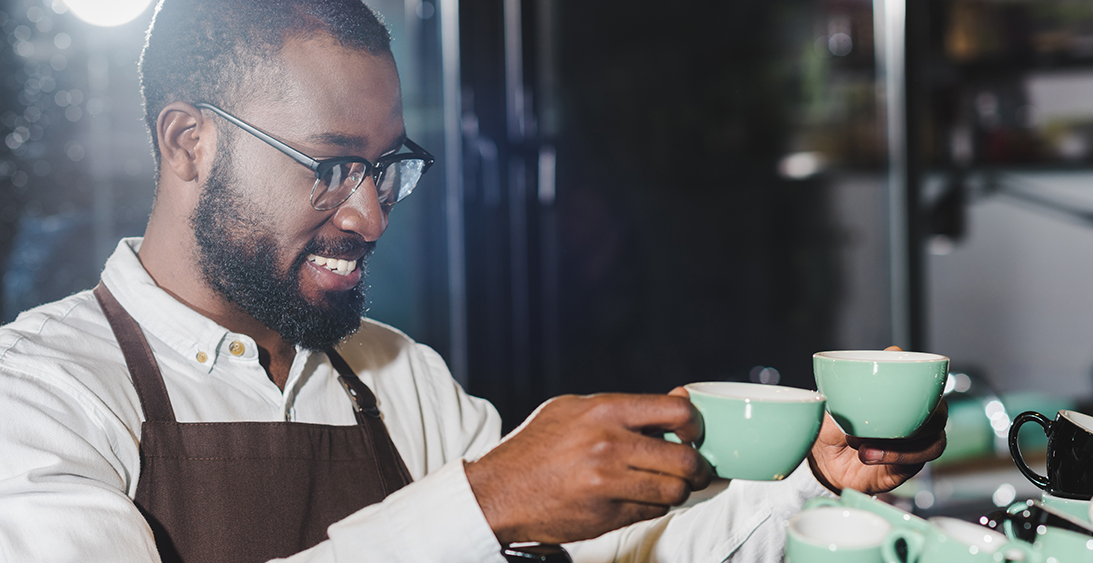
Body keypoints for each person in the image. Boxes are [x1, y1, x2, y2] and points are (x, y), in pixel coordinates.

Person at [0, 0, 947, 561]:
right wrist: (481, 501)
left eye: (387, 167)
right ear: (187, 142)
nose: (370, 215)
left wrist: (816, 478)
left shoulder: (391, 373)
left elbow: (603, 544)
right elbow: (490, 513)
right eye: (329, 164)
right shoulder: (41, 393)